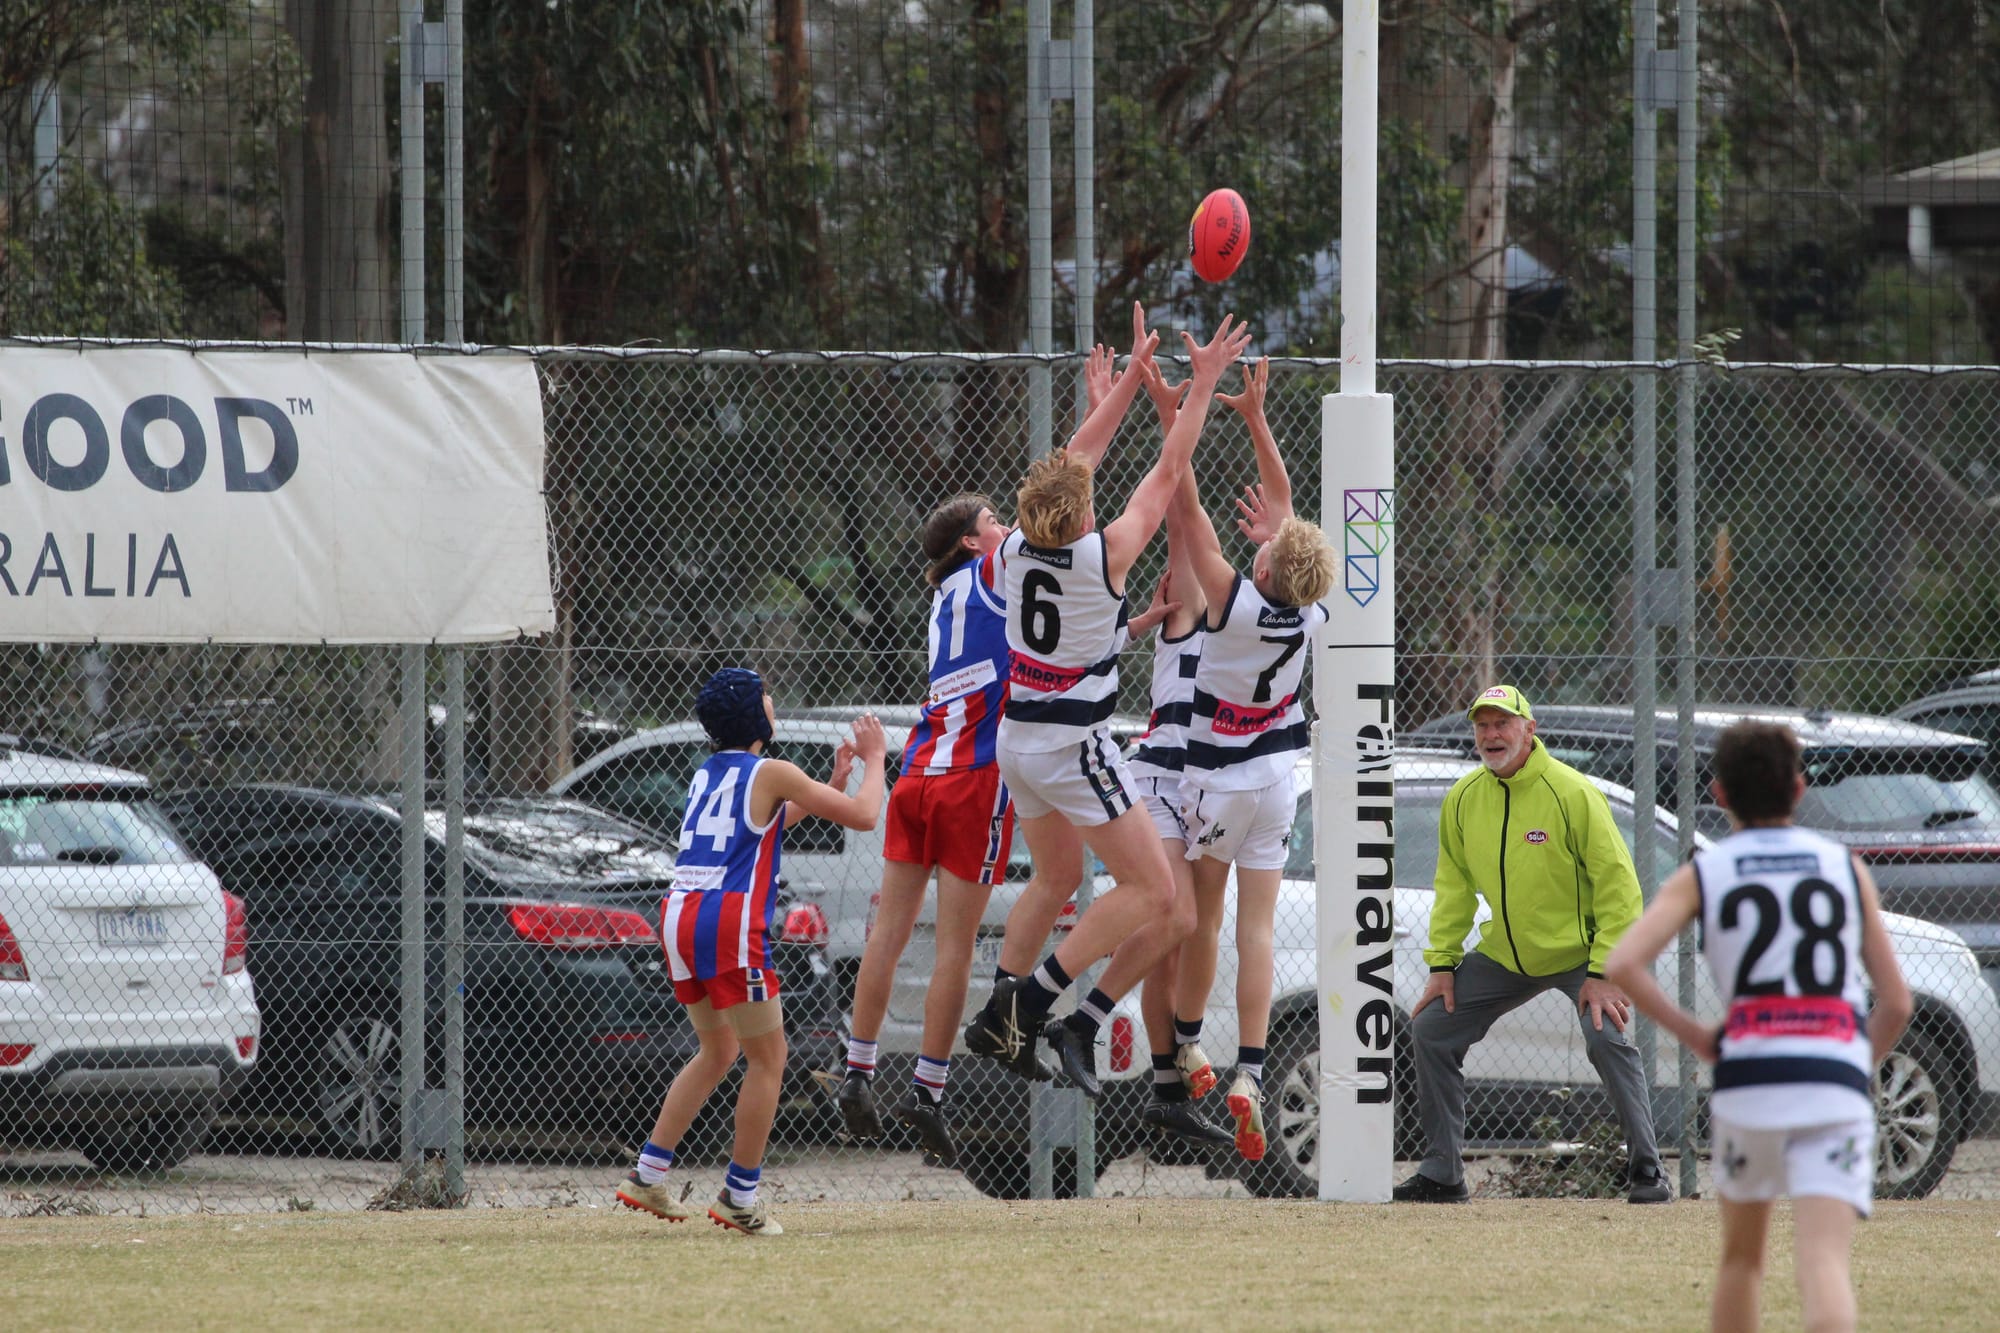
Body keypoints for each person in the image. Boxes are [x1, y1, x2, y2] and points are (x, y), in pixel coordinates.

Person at [962, 311, 1254, 1097]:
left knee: (1056, 875)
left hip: (1018, 739)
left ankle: (1001, 1007)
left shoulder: (1012, 549)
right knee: (1157, 893)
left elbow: (1072, 461)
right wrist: (1200, 381)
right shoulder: (1107, 554)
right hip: (1072, 745)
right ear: (1086, 515)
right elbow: (1170, 463)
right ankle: (1029, 1005)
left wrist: (1123, 384)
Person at [1607, 721, 1911, 1333]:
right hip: (1833, 1080)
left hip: (1750, 1078)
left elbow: (1623, 964)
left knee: (1742, 1261)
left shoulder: (1705, 872)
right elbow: (1897, 1005)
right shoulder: (1843, 867)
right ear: (1798, 789)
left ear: (1719, 793)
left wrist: (1699, 1037)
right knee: (1823, 1261)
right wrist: (1852, 1065)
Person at [616, 668, 886, 1236]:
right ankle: (739, 1197)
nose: (773, 700)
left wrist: (832, 783)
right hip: (728, 921)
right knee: (769, 1059)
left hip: (680, 916)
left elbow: (762, 827)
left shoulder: (708, 773)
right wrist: (875, 758)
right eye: (766, 695)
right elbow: (865, 816)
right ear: (756, 715)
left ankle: (648, 1174)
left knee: (718, 1051)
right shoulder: (772, 771)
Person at [1156, 356, 1336, 1161]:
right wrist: (1258, 419)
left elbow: (1182, 496)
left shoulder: (1230, 601)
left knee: (1204, 919)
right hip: (1276, 780)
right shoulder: (1310, 610)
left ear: (1262, 563)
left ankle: (1189, 1040)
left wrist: (1179, 407)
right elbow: (1288, 512)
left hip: (1218, 779)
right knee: (1257, 930)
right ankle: (1252, 1073)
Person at [1394, 684, 1671, 1204]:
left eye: (1503, 723)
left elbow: (1619, 887)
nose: (1491, 735)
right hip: (1507, 954)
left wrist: (1604, 972)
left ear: (1529, 730)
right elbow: (1452, 887)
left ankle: (1648, 1171)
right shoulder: (1463, 798)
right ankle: (1443, 1174)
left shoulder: (1572, 793)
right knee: (1431, 1028)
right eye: (1482, 725)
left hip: (1582, 956)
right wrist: (1443, 965)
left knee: (1606, 1038)